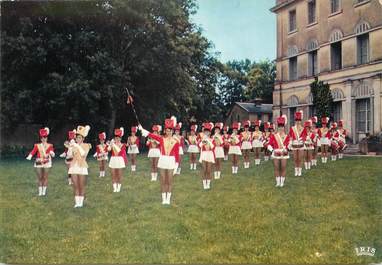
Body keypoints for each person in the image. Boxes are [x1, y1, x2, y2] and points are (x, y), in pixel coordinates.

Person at [138, 116, 180, 205]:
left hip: (171, 161)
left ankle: (168, 198)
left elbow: (177, 154)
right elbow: (152, 135)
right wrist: (143, 130)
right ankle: (163, 198)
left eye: (170, 130)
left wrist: (176, 164)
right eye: (167, 130)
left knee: (169, 181)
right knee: (163, 180)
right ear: (165, 131)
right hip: (163, 160)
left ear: (172, 131)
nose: (168, 132)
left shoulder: (176, 141)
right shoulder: (161, 139)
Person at [26, 127, 55, 196]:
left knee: (45, 177)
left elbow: (53, 154)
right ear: (40, 138)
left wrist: (52, 153)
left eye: (45, 137)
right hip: (38, 162)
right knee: (40, 177)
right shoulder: (37, 145)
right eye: (42, 137)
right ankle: (40, 192)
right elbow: (33, 152)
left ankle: (44, 192)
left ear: (47, 138)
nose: (43, 139)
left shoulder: (50, 145)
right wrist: (30, 156)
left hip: (47, 163)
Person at [68, 125, 91, 208]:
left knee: (81, 185)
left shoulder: (87, 145)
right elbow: (69, 156)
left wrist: (77, 146)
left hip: (82, 166)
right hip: (74, 166)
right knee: (75, 185)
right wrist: (70, 148)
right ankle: (77, 202)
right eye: (77, 138)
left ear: (83, 138)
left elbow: (84, 154)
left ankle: (81, 202)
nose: (78, 139)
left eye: (80, 138)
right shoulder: (73, 145)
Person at [268, 115, 290, 188]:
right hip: (276, 152)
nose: (281, 128)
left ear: (284, 127)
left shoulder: (287, 136)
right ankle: (277, 182)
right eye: (279, 126)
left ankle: (282, 182)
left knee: (283, 167)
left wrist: (287, 148)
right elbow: (269, 145)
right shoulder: (274, 136)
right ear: (278, 127)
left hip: (284, 153)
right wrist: (273, 150)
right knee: (277, 167)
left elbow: (289, 145)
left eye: (282, 126)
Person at [108, 127, 127, 192]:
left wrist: (113, 145)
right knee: (113, 174)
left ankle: (118, 187)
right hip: (113, 159)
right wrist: (110, 144)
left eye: (118, 138)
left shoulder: (123, 145)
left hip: (119, 160)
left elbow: (119, 152)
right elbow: (108, 150)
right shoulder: (112, 144)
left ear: (120, 138)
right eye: (115, 138)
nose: (117, 139)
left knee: (119, 174)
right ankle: (114, 187)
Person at [199, 123, 215, 189]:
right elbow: (199, 145)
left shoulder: (212, 139)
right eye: (205, 131)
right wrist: (203, 140)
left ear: (210, 132)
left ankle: (208, 184)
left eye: (208, 131)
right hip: (204, 154)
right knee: (204, 170)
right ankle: (204, 184)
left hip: (210, 154)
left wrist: (208, 140)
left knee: (208, 170)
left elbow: (213, 147)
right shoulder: (202, 139)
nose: (206, 132)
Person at [289, 110, 304, 176]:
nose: (298, 122)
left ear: (301, 121)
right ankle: (296, 171)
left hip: (300, 144)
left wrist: (302, 139)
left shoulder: (303, 129)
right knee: (295, 158)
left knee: (300, 158)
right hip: (294, 144)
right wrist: (290, 142)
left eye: (299, 120)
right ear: (295, 121)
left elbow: (305, 136)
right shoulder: (292, 128)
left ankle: (299, 171)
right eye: (297, 120)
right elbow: (290, 136)